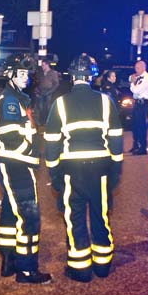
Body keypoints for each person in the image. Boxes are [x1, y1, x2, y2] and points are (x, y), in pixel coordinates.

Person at [44, 53, 124, 282]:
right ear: (92, 76)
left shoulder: (60, 104)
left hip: (72, 169)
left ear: (72, 76)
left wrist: (55, 173)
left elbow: (51, 143)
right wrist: (115, 170)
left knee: (74, 217)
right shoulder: (105, 101)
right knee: (101, 215)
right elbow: (116, 139)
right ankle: (102, 265)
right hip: (100, 168)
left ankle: (80, 269)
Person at [0, 54, 52, 284]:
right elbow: (9, 136)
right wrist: (31, 148)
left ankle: (9, 260)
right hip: (17, 164)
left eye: (27, 74)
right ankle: (27, 270)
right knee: (29, 217)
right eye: (21, 74)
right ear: (10, 75)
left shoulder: (19, 98)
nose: (26, 78)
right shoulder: (10, 100)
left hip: (15, 163)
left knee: (10, 213)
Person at [128, 60, 148, 155]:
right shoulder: (139, 77)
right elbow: (130, 79)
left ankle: (142, 148)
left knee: (141, 126)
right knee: (135, 126)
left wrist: (132, 83)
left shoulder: (147, 78)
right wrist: (132, 81)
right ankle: (136, 145)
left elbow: (136, 90)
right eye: (135, 68)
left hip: (143, 104)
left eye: (137, 68)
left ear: (143, 68)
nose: (136, 70)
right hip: (137, 104)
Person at [33, 58, 60, 127]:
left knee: (48, 108)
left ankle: (48, 122)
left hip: (49, 93)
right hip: (41, 92)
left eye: (43, 65)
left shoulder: (53, 73)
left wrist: (50, 92)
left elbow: (56, 84)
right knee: (41, 108)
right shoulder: (41, 73)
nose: (42, 67)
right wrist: (37, 90)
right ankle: (42, 122)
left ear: (47, 65)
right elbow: (38, 83)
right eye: (42, 65)